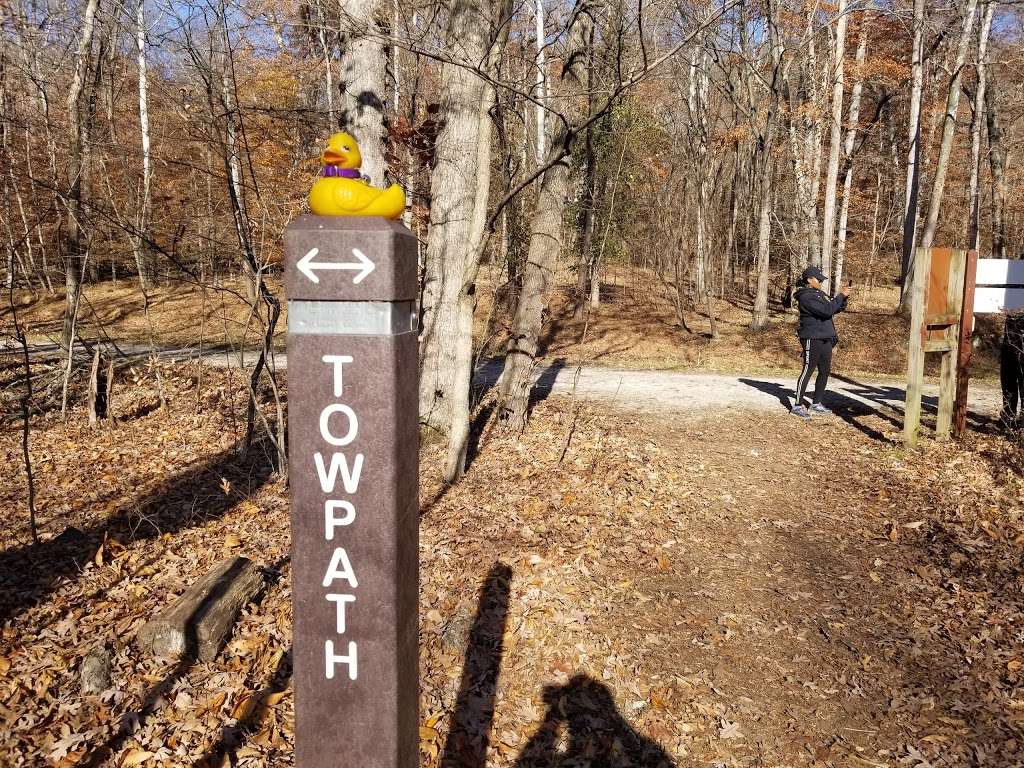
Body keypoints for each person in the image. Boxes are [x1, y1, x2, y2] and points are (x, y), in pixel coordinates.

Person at [791, 265, 853, 418]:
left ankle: (816, 403)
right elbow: (826, 311)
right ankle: (797, 406)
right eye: (818, 279)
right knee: (808, 369)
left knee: (824, 371)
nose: (820, 281)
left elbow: (834, 308)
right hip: (812, 337)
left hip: (826, 336)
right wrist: (839, 296)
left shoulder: (819, 294)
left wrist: (843, 299)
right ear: (809, 280)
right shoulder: (805, 296)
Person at [1000, 311, 1024, 428]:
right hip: (1009, 347)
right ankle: (1008, 416)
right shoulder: (1011, 309)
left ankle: (1022, 422)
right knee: (1008, 381)